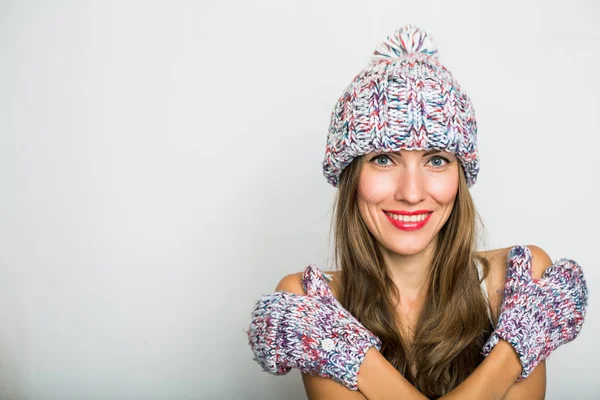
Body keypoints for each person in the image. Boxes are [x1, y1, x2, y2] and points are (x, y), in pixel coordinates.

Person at [246, 25, 588, 399]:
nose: (411, 193)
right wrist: (515, 349)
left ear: (460, 178)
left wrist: (344, 353)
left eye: (437, 160)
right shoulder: (310, 302)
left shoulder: (518, 280)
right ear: (352, 178)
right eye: (383, 159)